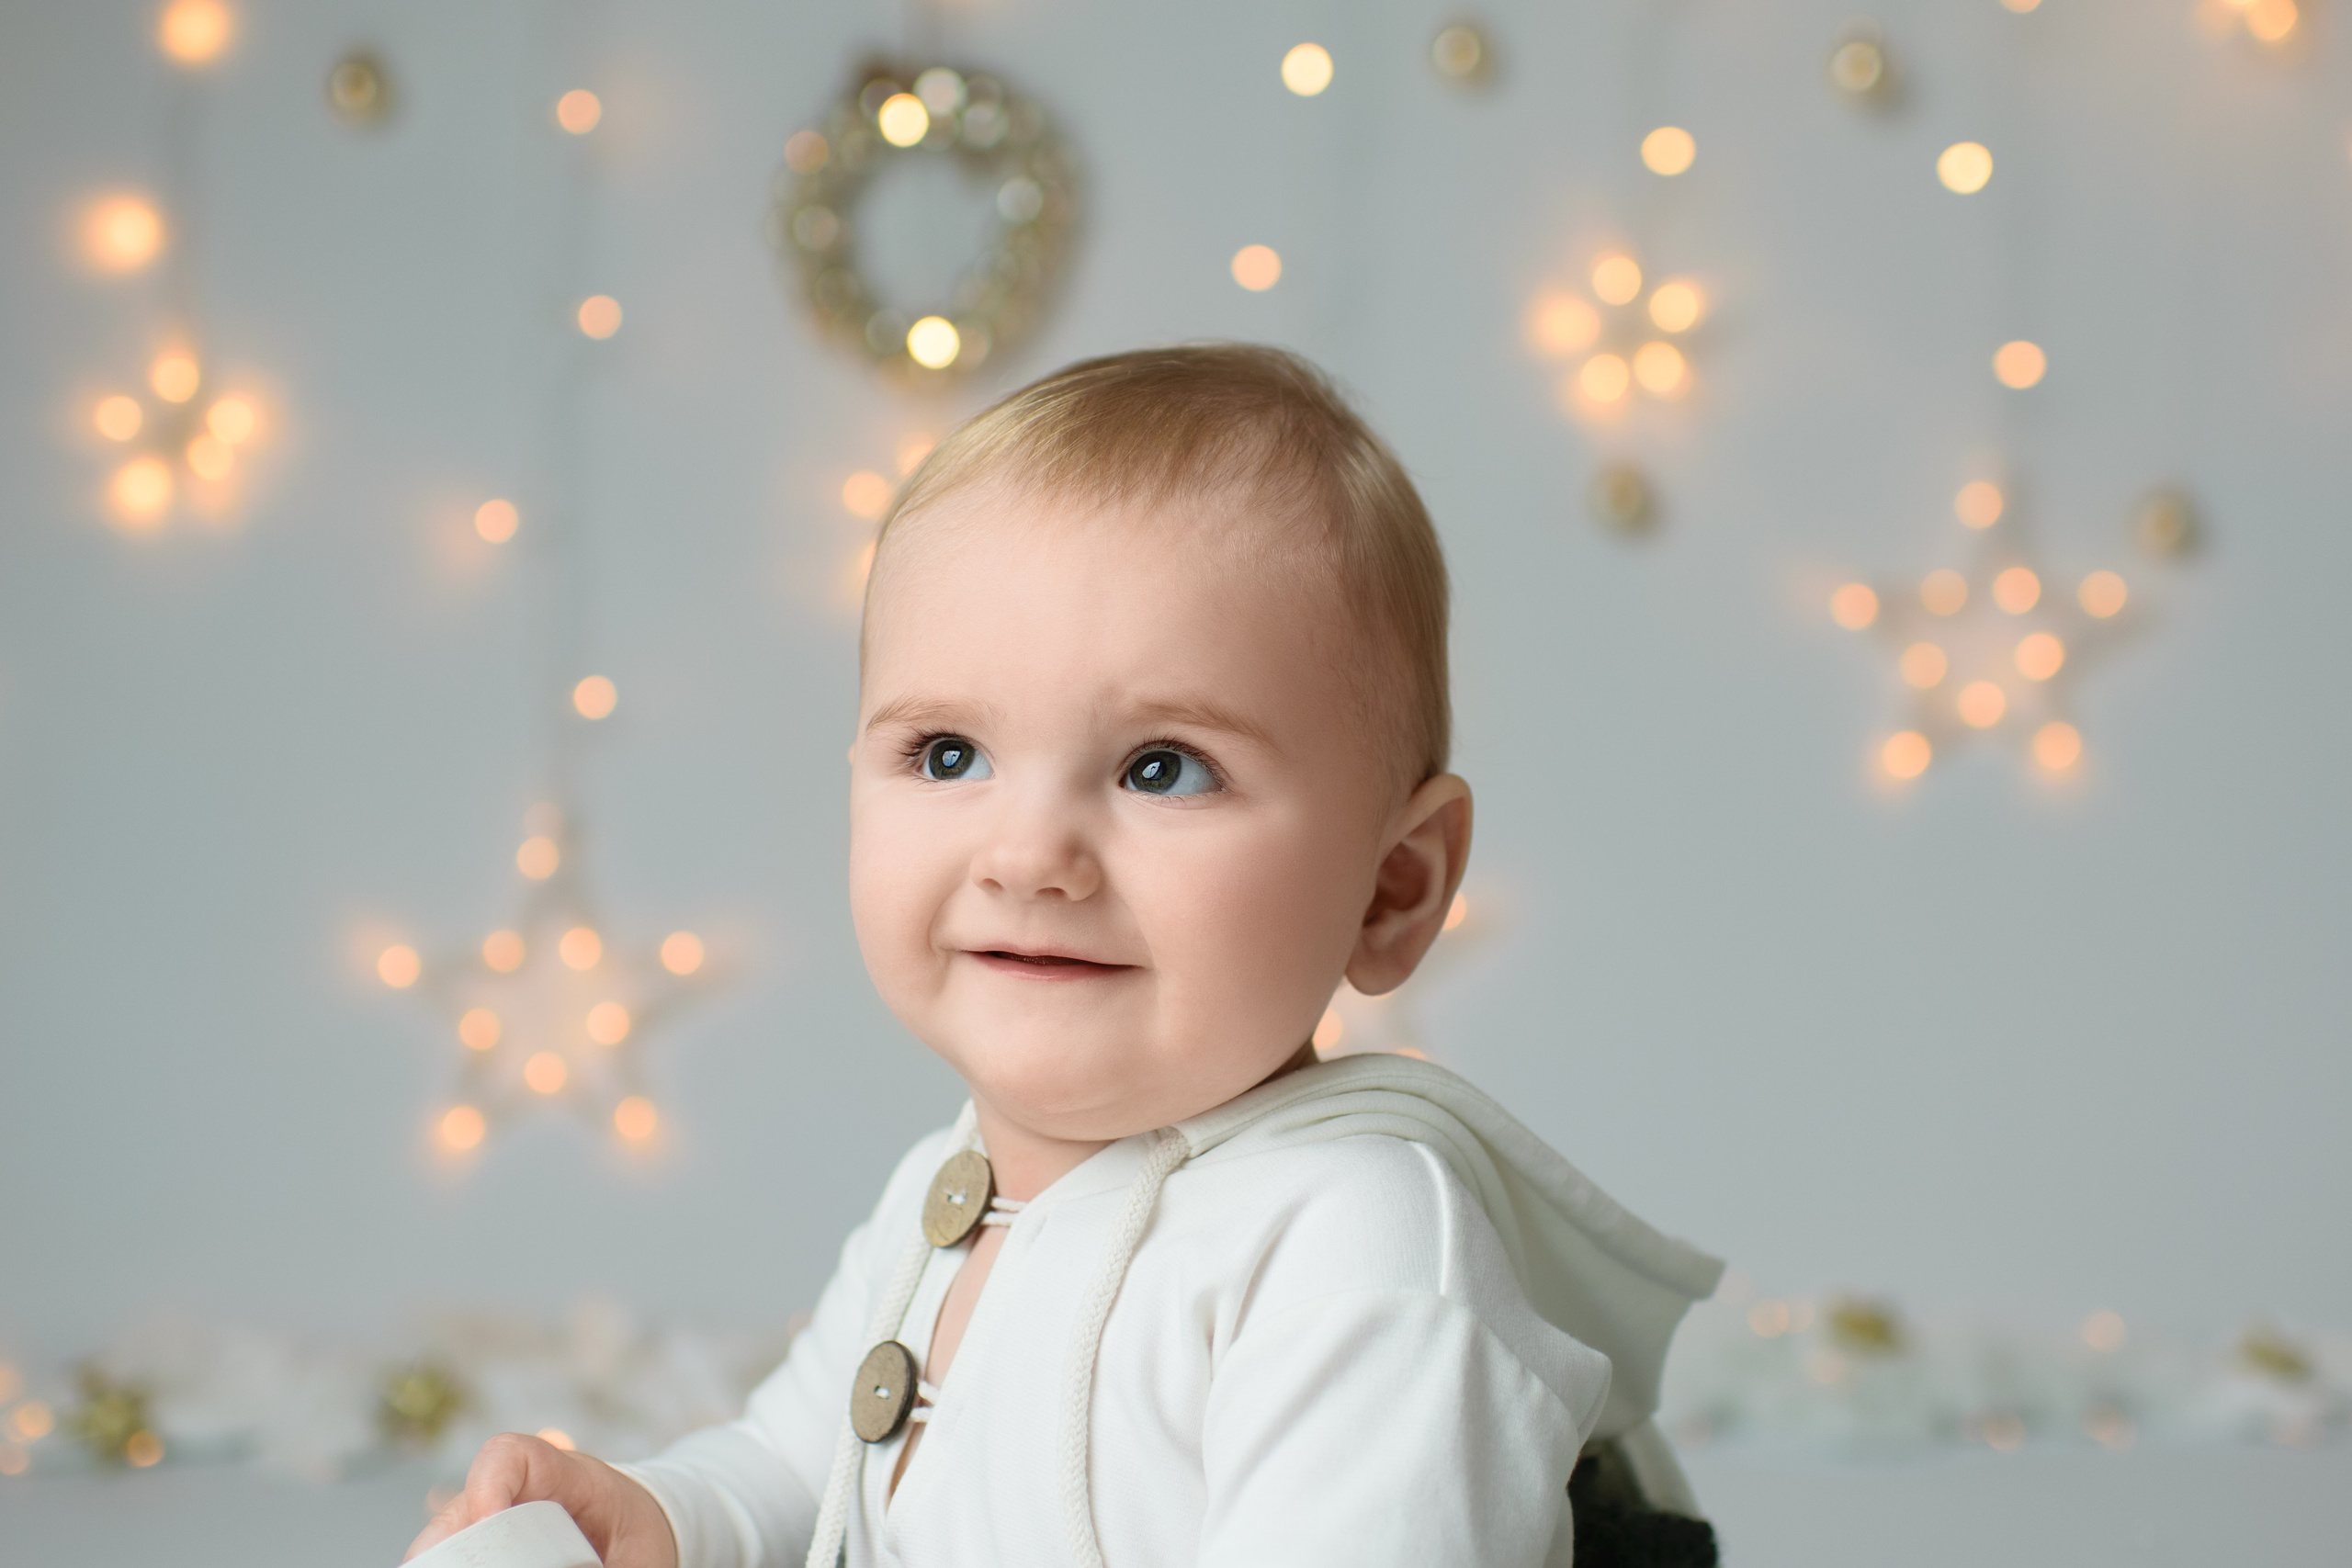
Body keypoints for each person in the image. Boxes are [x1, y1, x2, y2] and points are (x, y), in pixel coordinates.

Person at [406, 344, 1722, 1568]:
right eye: (948, 754)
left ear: (1394, 886)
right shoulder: (945, 1188)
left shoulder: (1359, 1245)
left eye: (1163, 768)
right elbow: (801, 1470)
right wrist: (662, 1523)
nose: (1029, 854)